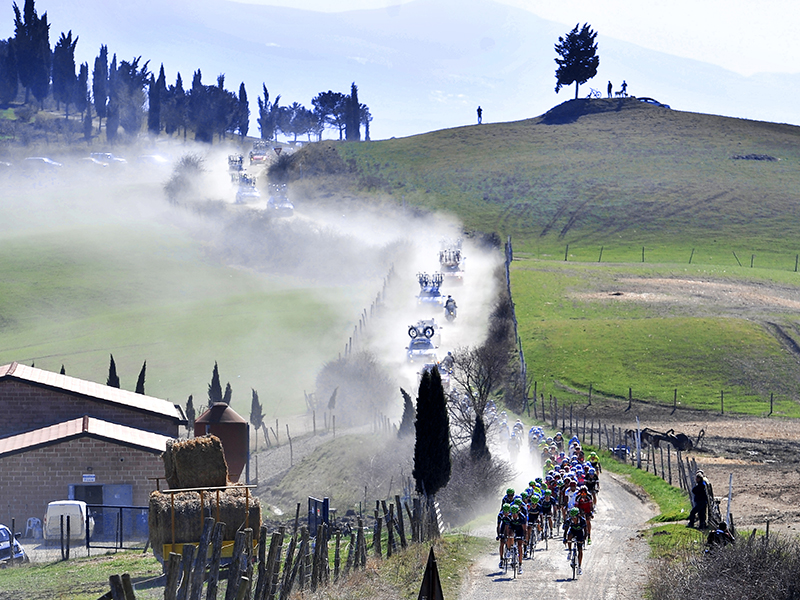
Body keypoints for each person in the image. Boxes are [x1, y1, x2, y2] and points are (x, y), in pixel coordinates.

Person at [563, 507, 587, 574]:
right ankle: (570, 551)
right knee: (569, 536)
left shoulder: (582, 520)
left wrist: (584, 539)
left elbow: (585, 530)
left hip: (580, 533)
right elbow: (566, 531)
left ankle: (579, 567)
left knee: (580, 550)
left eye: (574, 517)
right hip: (572, 531)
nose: (573, 518)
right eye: (572, 517)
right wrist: (565, 539)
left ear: (578, 515)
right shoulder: (569, 520)